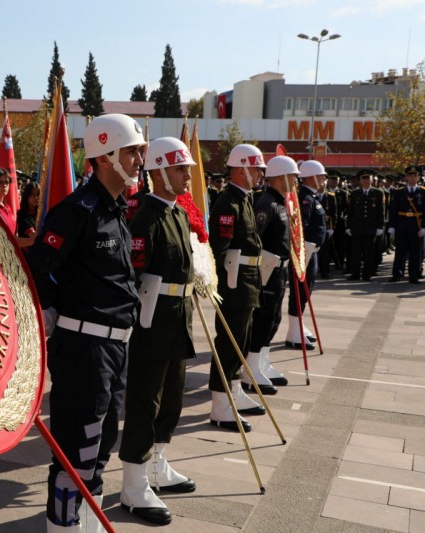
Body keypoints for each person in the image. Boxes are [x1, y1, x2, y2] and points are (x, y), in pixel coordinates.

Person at [26, 113, 145, 532]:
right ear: (106, 155)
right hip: (85, 350)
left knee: (100, 448)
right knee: (75, 453)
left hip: (115, 348)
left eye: (140, 151)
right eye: (131, 152)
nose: (139, 160)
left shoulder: (116, 209)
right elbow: (38, 266)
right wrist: (50, 309)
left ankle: (88, 525)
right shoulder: (79, 210)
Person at [119, 137, 197, 527]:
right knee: (144, 402)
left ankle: (158, 465)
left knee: (171, 399)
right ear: (161, 172)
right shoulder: (145, 218)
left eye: (187, 170)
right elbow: (133, 274)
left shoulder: (178, 213)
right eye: (181, 169)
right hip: (152, 322)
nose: (187, 177)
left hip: (178, 318)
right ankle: (133, 484)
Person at [207, 143, 265, 433]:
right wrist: (216, 285)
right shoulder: (228, 202)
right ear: (241, 169)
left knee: (241, 341)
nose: (260, 174)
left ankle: (234, 390)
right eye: (256, 168)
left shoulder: (244, 199)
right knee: (229, 344)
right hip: (235, 283)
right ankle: (220, 404)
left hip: (247, 280)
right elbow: (219, 249)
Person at [241, 156, 297, 395]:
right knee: (263, 320)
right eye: (292, 176)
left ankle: (261, 364)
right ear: (281, 177)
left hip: (278, 270)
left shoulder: (280, 202)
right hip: (267, 271)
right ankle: (250, 372)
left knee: (273, 320)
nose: (295, 181)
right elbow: (255, 240)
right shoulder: (267, 204)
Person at [284, 160, 327, 350]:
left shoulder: (312, 196)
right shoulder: (304, 198)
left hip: (311, 252)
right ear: (310, 177)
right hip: (304, 252)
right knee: (300, 292)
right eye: (321, 176)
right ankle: (294, 332)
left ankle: (298, 325)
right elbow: (301, 227)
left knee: (306, 291)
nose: (324, 179)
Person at [389, 165, 425, 284]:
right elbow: (393, 210)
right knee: (400, 251)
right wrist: (392, 225)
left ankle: (414, 275)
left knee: (416, 252)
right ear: (406, 177)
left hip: (416, 225)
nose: (412, 178)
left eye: (415, 176)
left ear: (418, 177)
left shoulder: (424, 192)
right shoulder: (399, 192)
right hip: (402, 224)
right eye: (410, 175)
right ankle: (397, 274)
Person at [347, 170, 384, 281]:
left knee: (369, 252)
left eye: (368, 178)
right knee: (356, 253)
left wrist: (379, 227)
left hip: (371, 228)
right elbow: (350, 212)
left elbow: (380, 212)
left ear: (372, 180)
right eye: (364, 178)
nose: (366, 180)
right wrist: (348, 226)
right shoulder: (354, 193)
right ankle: (355, 274)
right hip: (357, 228)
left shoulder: (378, 193)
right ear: (360, 180)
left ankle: (367, 274)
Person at [16, 180, 39, 250]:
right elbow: (35, 237)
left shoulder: (40, 214)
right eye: (32, 194)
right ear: (26, 196)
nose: (36, 197)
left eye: (38, 194)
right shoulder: (21, 215)